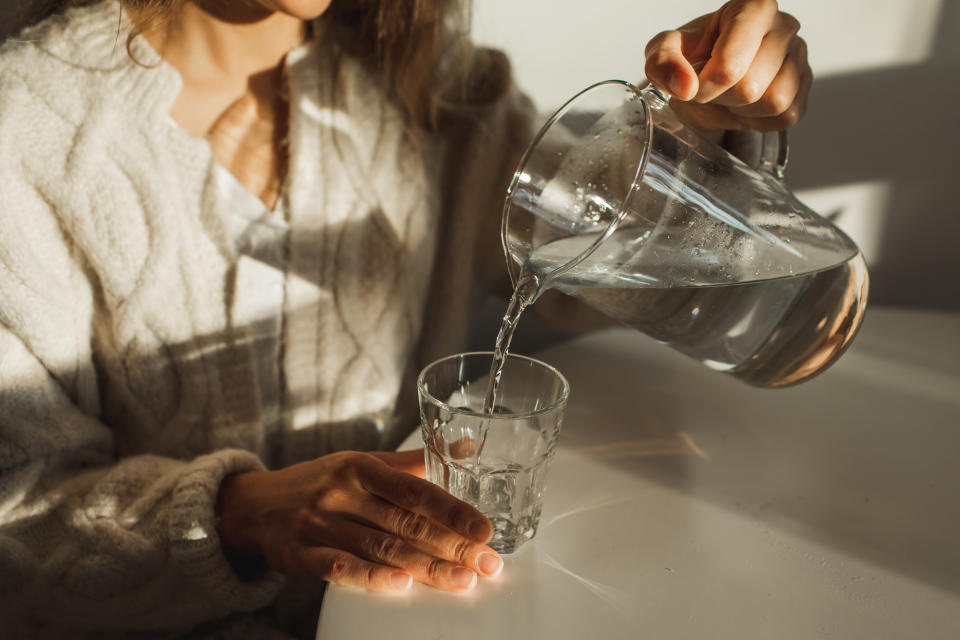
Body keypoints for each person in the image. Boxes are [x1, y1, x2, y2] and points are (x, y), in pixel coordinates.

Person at [0, 0, 810, 636]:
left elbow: (634, 284)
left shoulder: (435, 85)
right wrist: (236, 514)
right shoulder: (26, 130)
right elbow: (16, 518)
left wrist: (708, 141)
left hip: (422, 618)